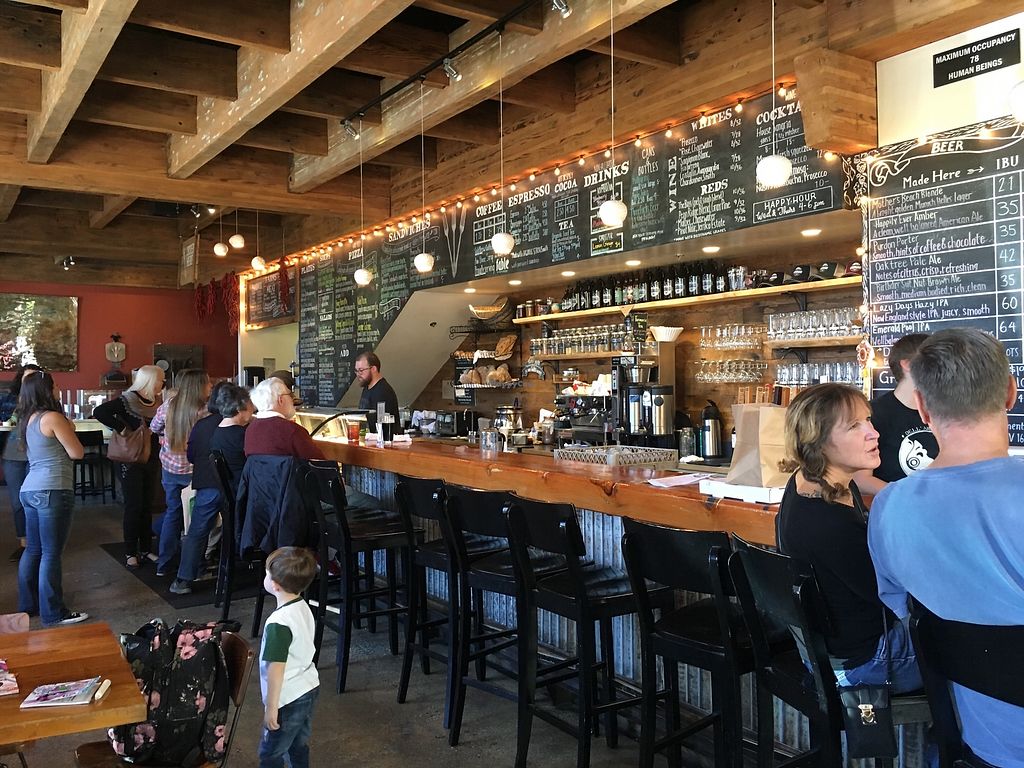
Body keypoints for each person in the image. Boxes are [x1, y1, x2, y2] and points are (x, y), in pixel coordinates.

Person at [869, 328, 1024, 768]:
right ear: (1011, 394)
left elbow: (908, 615)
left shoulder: (888, 509)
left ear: (921, 406)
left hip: (977, 745)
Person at [775, 383, 922, 692]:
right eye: (855, 426)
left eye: (868, 420)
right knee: (976, 646)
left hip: (831, 652)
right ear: (819, 442)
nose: (874, 432)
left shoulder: (812, 482)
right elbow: (892, 597)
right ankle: (951, 738)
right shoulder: (828, 523)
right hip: (865, 663)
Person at [15, 370, 87, 625]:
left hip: (30, 489)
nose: (57, 390)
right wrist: (68, 426)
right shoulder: (53, 417)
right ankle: (54, 613)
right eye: (55, 386)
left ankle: (28, 606)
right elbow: (77, 452)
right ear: (46, 390)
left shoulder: (28, 419)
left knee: (33, 549)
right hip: (53, 489)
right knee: (51, 553)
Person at [94, 365, 164, 569]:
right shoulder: (127, 400)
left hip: (151, 457)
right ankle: (130, 552)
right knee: (134, 505)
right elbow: (99, 411)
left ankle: (145, 549)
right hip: (129, 459)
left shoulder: (157, 401)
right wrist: (122, 428)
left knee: (147, 505)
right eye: (160, 378)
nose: (163, 382)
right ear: (150, 380)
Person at [259, 546, 320, 768]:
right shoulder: (302, 606)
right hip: (309, 686)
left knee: (271, 752)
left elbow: (276, 668)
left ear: (275, 585)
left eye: (267, 573)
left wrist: (271, 707)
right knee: (298, 743)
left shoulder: (278, 623)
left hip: (288, 697)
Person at [854, 333, 938, 495]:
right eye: (933, 360)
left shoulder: (944, 410)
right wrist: (905, 497)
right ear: (908, 365)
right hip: (895, 512)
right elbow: (860, 479)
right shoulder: (873, 413)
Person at [169, 380, 232, 595]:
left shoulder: (202, 424)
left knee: (197, 530)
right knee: (239, 527)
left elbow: (191, 455)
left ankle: (183, 579)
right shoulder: (238, 425)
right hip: (232, 486)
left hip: (205, 483)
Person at [151, 369, 211, 577]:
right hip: (194, 471)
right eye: (208, 383)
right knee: (195, 520)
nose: (210, 387)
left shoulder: (169, 405)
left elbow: (154, 426)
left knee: (173, 514)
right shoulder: (204, 411)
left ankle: (164, 564)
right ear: (199, 387)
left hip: (169, 468)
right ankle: (195, 566)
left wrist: (165, 436)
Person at [1, 364, 41, 561]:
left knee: (37, 500)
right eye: (27, 377)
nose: (30, 381)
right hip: (12, 456)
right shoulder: (8, 399)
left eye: (34, 377)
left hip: (38, 457)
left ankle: (38, 542)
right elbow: (4, 422)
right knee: (18, 502)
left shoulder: (44, 401)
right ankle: (24, 543)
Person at [246, 378, 324, 460]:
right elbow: (320, 464)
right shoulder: (292, 430)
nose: (292, 400)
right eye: (290, 395)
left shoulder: (250, 430)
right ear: (281, 400)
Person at [209, 383, 253, 498]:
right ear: (239, 409)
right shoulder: (241, 435)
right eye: (250, 405)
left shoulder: (218, 432)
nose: (253, 409)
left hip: (233, 490)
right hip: (245, 492)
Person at [353, 351, 399, 434]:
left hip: (382, 443)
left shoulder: (383, 391)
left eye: (361, 370)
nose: (358, 374)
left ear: (374, 369)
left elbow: (384, 424)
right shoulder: (367, 388)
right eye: (356, 371)